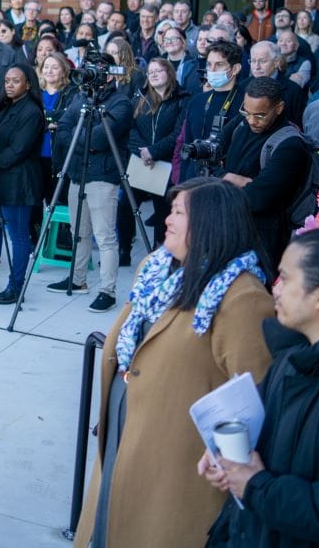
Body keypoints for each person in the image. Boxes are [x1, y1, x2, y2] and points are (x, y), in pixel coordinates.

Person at [74, 177, 274, 548]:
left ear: (211, 223)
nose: (167, 219)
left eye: (179, 212)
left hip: (176, 470)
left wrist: (229, 457)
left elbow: (257, 396)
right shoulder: (156, 268)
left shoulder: (241, 296)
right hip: (124, 437)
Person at [200, 230, 319, 548]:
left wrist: (256, 487)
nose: (274, 288)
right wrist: (223, 452)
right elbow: (256, 429)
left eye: (285, 278)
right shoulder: (291, 358)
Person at [49, 75, 133, 313]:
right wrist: (82, 137)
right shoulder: (80, 98)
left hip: (103, 177)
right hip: (78, 174)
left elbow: (100, 139)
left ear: (110, 75)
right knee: (78, 233)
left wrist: (78, 136)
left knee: (105, 237)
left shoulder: (120, 102)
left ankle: (108, 291)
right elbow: (62, 129)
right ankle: (77, 280)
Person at [221, 77, 315, 270]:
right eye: (247, 112)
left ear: (279, 108)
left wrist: (225, 179)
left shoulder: (290, 145)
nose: (251, 120)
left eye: (260, 115)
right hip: (230, 226)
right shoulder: (241, 123)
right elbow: (210, 159)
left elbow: (257, 198)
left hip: (262, 238)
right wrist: (233, 179)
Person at [0, 64, 45, 304]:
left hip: (19, 182)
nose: (9, 85)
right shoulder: (5, 106)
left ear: (28, 84)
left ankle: (16, 287)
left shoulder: (32, 112)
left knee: (18, 235)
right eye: (7, 80)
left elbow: (16, 151)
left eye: (16, 81)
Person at [127, 58, 188, 248]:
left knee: (162, 211)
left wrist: (153, 152)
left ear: (169, 73)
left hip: (166, 163)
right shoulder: (140, 98)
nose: (153, 75)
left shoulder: (183, 99)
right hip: (139, 161)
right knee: (125, 206)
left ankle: (158, 250)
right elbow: (130, 128)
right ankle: (124, 249)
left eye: (158, 71)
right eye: (150, 72)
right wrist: (143, 152)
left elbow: (178, 134)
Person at [177, 39, 246, 183]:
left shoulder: (246, 103)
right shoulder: (197, 101)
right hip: (194, 178)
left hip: (225, 180)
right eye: (209, 64)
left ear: (235, 69)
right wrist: (181, 184)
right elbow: (186, 144)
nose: (212, 70)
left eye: (219, 64)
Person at [38, 53, 76, 201]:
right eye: (46, 67)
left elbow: (69, 117)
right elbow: (31, 118)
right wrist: (51, 122)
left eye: (54, 67)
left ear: (63, 71)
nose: (49, 71)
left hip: (60, 155)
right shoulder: (35, 92)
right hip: (37, 155)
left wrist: (44, 116)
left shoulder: (71, 93)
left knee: (58, 201)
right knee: (37, 202)